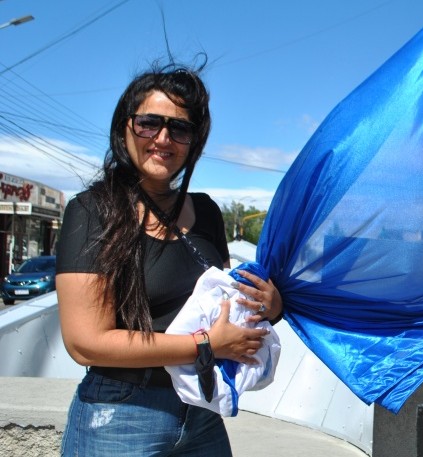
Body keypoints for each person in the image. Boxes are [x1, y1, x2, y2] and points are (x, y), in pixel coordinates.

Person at [56, 63, 283, 456]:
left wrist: (268, 307)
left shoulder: (207, 212)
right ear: (125, 128)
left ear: (194, 141)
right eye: (149, 123)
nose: (163, 138)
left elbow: (220, 307)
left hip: (201, 407)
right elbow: (85, 344)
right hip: (120, 412)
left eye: (179, 128)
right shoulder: (93, 211)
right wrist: (205, 345)